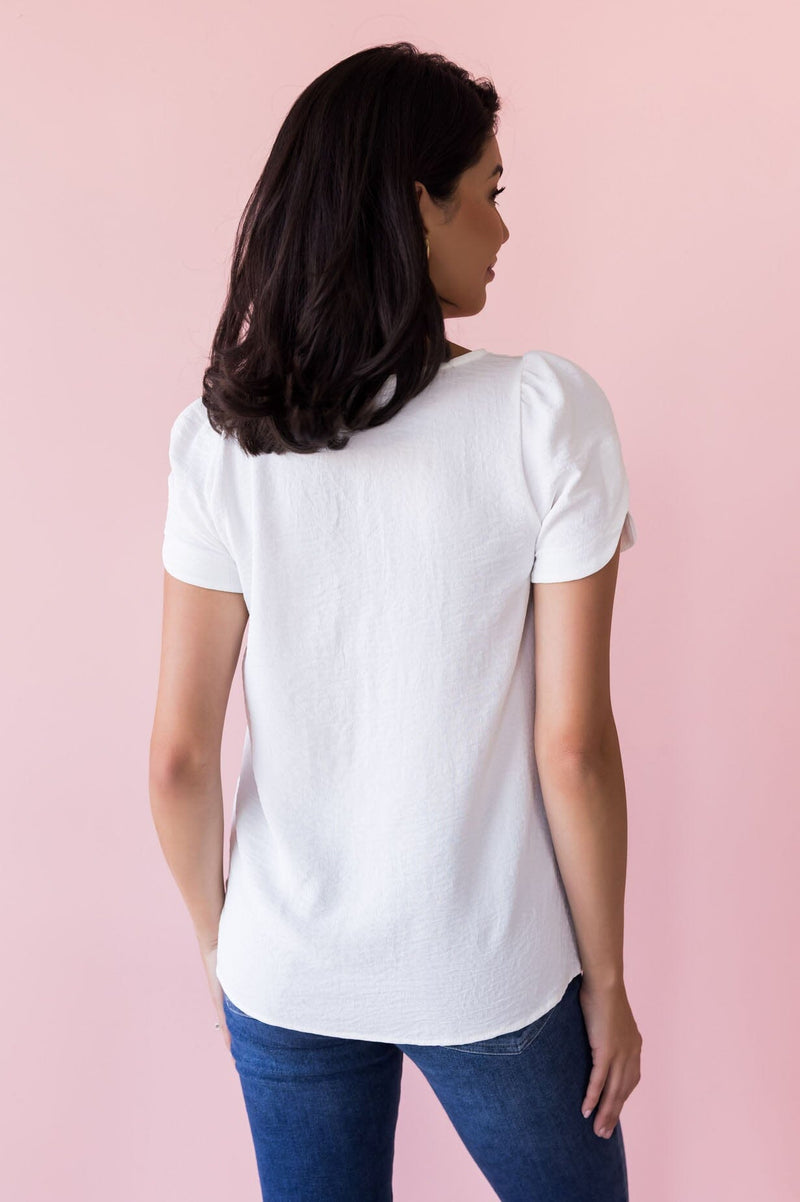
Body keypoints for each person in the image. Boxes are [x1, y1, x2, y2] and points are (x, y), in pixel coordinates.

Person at [149, 41, 642, 1202]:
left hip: (285, 970)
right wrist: (607, 980)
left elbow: (178, 758)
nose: (502, 229)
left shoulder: (219, 442)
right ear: (420, 203)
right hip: (486, 968)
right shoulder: (543, 414)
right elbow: (571, 746)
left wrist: (225, 950)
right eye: (489, 191)